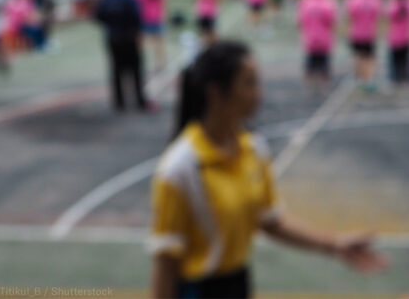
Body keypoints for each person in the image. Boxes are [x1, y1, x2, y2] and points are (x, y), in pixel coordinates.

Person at [150, 41, 387, 298]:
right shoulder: (180, 169)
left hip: (238, 284)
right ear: (216, 92)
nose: (259, 93)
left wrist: (335, 244)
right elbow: (166, 263)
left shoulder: (253, 150)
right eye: (249, 83)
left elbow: (269, 220)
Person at [95, 0, 152, 113]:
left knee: (116, 69)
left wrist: (111, 24)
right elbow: (137, 17)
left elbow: (98, 15)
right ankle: (139, 101)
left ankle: (119, 102)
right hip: (129, 37)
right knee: (136, 70)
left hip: (113, 38)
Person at [296, 0, 338, 88]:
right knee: (324, 64)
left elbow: (300, 21)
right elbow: (332, 21)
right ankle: (324, 85)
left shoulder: (305, 1)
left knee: (310, 64)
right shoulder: (328, 2)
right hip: (324, 38)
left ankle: (309, 85)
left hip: (310, 38)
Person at [345, 0, 382, 91]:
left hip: (356, 32)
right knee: (369, 58)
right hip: (369, 33)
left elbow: (350, 14)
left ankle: (359, 79)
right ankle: (369, 80)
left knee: (358, 57)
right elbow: (378, 15)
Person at [134, 0, 169, 72]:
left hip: (145, 17)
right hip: (157, 17)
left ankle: (139, 62)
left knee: (140, 42)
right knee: (158, 42)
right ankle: (160, 63)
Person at [386, 0, 409, 87]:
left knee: (405, 60)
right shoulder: (393, 2)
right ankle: (397, 78)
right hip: (397, 37)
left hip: (405, 37)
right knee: (396, 60)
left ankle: (405, 78)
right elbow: (390, 14)